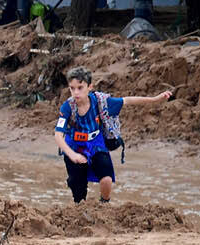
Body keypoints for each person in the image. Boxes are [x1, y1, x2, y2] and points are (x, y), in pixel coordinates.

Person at [55, 66, 172, 203]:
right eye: (72, 88)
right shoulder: (67, 107)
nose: (76, 93)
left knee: (107, 179)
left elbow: (127, 100)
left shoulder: (101, 102)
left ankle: (104, 206)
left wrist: (155, 99)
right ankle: (79, 207)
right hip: (74, 146)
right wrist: (72, 154)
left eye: (80, 88)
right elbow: (58, 135)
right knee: (78, 192)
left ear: (90, 87)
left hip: (96, 144)